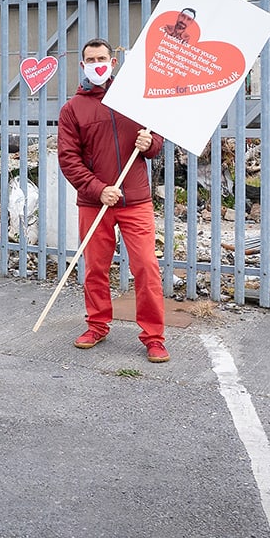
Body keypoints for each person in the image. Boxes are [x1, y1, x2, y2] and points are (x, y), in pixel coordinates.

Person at [57, 38, 168, 361]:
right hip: (95, 203)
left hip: (135, 200)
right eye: (90, 59)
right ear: (82, 66)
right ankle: (97, 324)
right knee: (95, 268)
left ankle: (154, 336)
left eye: (102, 58)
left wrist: (150, 143)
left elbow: (157, 144)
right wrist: (97, 189)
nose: (97, 64)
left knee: (146, 267)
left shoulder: (135, 99)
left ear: (113, 61)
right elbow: (68, 159)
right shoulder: (72, 109)